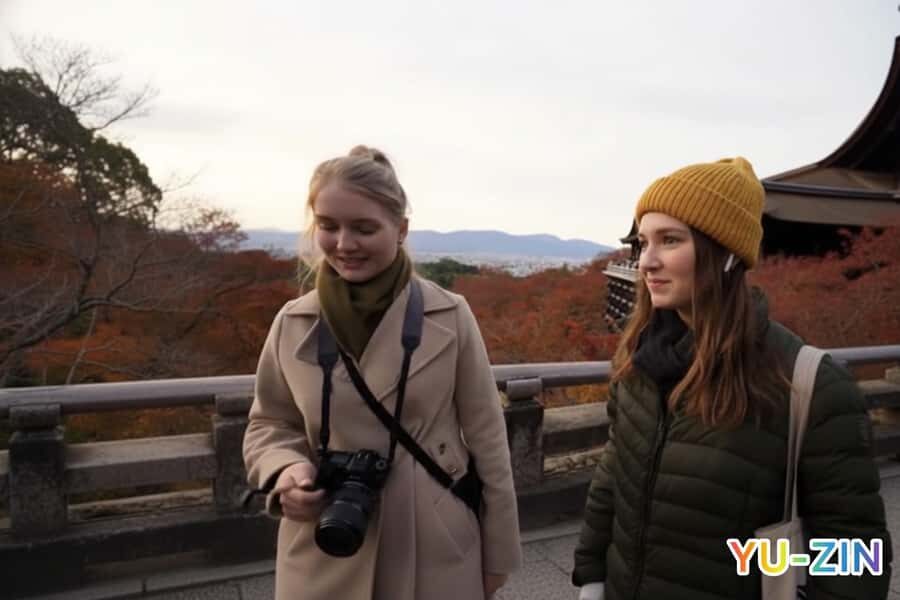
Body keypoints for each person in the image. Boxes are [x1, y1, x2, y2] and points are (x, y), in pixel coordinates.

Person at [572, 157, 892, 599]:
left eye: (670, 240)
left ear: (725, 254)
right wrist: (591, 573)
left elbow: (856, 553)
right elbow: (613, 475)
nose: (647, 261)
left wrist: (765, 562)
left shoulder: (805, 384)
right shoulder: (639, 363)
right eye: (642, 242)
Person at [243, 145, 521, 600]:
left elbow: (489, 439)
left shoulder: (448, 315)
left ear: (401, 229)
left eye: (364, 228)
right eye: (328, 226)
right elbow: (269, 423)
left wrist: (499, 556)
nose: (344, 244)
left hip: (433, 542)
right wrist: (286, 471)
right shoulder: (294, 322)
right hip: (326, 538)